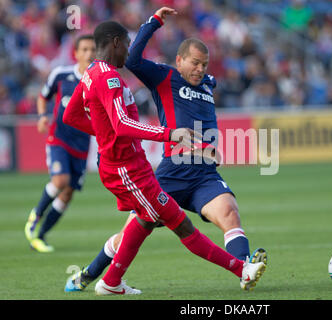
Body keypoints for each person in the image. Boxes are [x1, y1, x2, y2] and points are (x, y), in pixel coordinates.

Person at [65, 7, 267, 293]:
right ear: (179, 60)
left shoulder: (209, 84)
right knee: (138, 227)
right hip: (172, 168)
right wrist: (153, 23)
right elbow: (133, 61)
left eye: (204, 64)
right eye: (195, 63)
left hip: (204, 171)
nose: (200, 69)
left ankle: (245, 269)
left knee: (229, 212)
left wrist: (208, 147)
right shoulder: (163, 77)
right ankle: (91, 274)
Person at [24, 35, 96, 253]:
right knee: (60, 179)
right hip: (59, 139)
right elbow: (43, 96)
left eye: (92, 49)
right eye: (84, 49)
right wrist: (42, 115)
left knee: (67, 193)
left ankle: (40, 236)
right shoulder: (61, 75)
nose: (89, 53)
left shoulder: (99, 81)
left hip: (82, 145)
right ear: (75, 53)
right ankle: (35, 217)